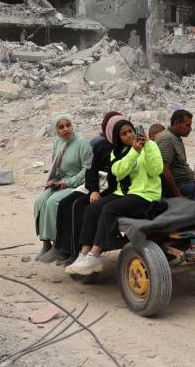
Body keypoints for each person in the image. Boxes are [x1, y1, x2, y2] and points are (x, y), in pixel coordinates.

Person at [66, 117, 165, 276]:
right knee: (92, 209)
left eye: (130, 131)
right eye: (123, 134)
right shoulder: (116, 152)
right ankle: (84, 254)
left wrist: (147, 148)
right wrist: (133, 152)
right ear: (118, 137)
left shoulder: (150, 146)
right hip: (125, 192)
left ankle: (95, 255)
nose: (129, 136)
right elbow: (118, 172)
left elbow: (156, 170)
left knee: (110, 209)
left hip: (146, 194)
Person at [53, 111, 121, 266]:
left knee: (78, 207)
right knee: (65, 204)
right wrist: (93, 189)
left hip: (109, 187)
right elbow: (91, 168)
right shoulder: (100, 143)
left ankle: (76, 250)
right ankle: (64, 249)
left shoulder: (123, 146)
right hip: (96, 183)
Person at [34, 115, 92, 263]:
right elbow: (57, 168)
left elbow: (87, 169)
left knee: (53, 202)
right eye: (61, 127)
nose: (66, 129)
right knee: (40, 200)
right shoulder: (58, 143)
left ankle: (58, 245)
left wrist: (68, 183)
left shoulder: (82, 143)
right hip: (63, 182)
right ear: (57, 130)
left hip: (79, 183)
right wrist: (55, 181)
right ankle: (46, 242)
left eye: (68, 125)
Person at [154, 109, 195, 198]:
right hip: (182, 185)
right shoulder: (167, 138)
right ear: (176, 123)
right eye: (187, 125)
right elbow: (164, 169)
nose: (190, 129)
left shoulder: (175, 137)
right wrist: (177, 194)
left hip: (187, 181)